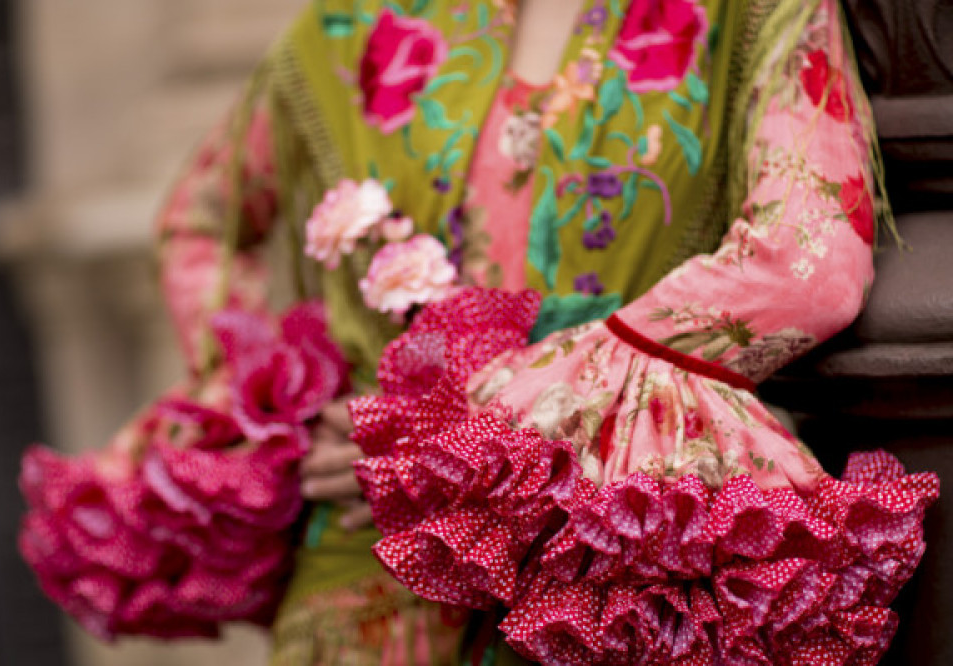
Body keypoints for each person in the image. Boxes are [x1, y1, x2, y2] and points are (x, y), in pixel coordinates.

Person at [144, 0, 936, 662]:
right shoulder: (355, 24)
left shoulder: (751, 9)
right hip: (365, 589)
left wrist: (469, 439)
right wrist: (278, 411)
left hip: (610, 574)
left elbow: (806, 261)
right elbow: (202, 222)